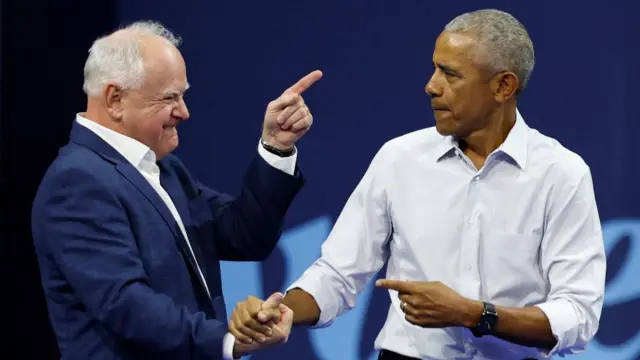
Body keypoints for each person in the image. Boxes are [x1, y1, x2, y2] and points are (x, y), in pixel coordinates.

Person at [228, 8, 606, 360]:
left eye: (450, 74)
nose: (431, 86)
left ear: (503, 87)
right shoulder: (400, 158)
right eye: (434, 69)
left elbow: (578, 313)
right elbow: (339, 272)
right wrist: (286, 311)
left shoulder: (561, 174)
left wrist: (475, 315)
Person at [30, 20, 322, 359]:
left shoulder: (162, 167)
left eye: (183, 95)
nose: (184, 111)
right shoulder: (76, 182)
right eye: (170, 97)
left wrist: (276, 147)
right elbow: (124, 302)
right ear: (114, 99)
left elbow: (244, 236)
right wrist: (227, 340)